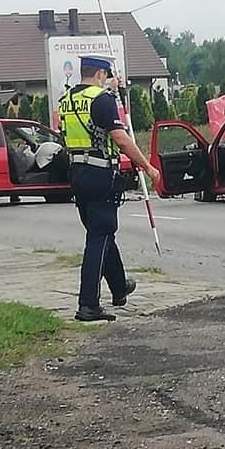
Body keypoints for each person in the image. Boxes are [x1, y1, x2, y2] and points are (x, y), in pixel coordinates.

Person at [58, 55, 160, 322]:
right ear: (101, 74)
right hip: (99, 172)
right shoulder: (101, 99)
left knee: (101, 231)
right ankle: (88, 304)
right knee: (98, 237)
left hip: (77, 173)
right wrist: (148, 167)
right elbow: (121, 140)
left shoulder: (66, 100)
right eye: (108, 75)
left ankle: (119, 287)